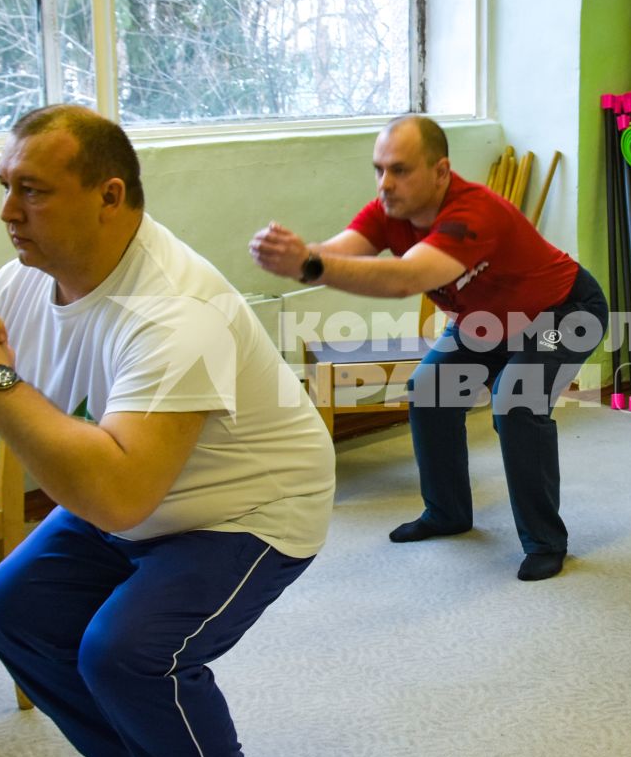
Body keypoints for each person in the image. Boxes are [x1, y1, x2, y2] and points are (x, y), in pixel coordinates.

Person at [0, 104, 334, 757]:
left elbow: (120, 497)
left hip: (248, 509)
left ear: (109, 195)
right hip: (129, 492)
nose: (7, 211)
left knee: (127, 650)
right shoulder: (22, 281)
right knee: (10, 609)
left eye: (32, 190)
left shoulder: (175, 309)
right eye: (4, 187)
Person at [248, 114, 607, 582]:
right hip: (488, 321)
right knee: (430, 388)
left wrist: (311, 266)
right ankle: (448, 512)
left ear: (441, 171)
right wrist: (298, 257)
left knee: (516, 401)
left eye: (399, 169)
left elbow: (406, 279)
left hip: (566, 313)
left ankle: (545, 541)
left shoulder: (472, 214)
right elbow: (339, 252)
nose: (385, 183)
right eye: (379, 169)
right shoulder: (388, 211)